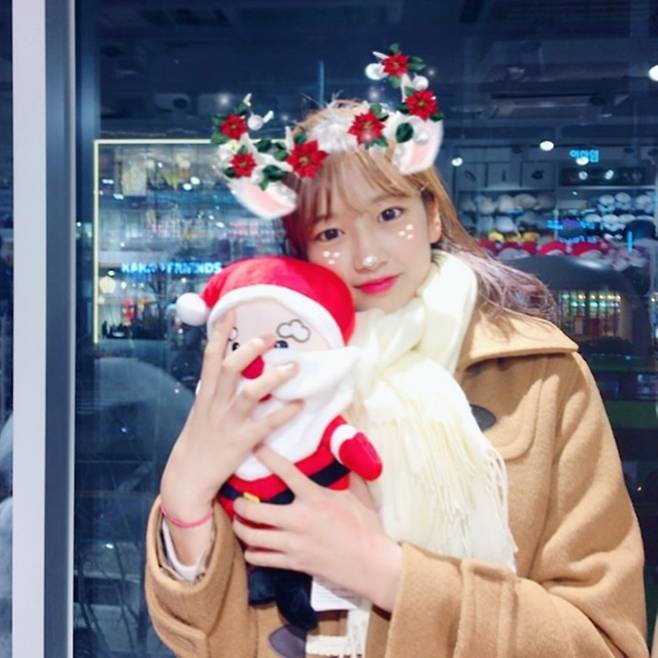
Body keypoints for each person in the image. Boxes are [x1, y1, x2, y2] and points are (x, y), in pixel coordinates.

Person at [145, 52, 649, 657]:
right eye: (331, 233)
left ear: (431, 215)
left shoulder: (537, 376)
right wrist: (184, 502)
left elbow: (604, 642)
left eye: (389, 214)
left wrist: (390, 574)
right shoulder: (271, 376)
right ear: (302, 250)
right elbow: (208, 638)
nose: (367, 255)